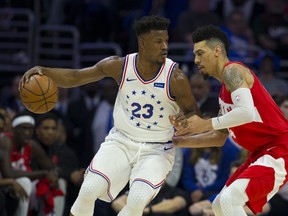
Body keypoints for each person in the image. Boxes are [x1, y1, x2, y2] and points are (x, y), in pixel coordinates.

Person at [19, 15, 199, 216]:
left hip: (157, 148)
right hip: (121, 141)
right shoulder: (119, 66)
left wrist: (186, 119)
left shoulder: (175, 77)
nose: (164, 46)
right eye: (158, 41)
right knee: (88, 190)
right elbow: (76, 76)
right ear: (142, 42)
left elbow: (193, 111)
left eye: (166, 40)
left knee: (137, 200)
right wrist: (45, 71)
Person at [169, 25, 288, 216]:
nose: (196, 60)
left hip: (278, 149)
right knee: (218, 206)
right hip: (259, 154)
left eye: (200, 53)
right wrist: (178, 141)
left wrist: (205, 123)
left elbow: (246, 113)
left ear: (217, 50)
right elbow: (218, 137)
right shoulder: (224, 93)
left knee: (229, 199)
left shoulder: (233, 70)